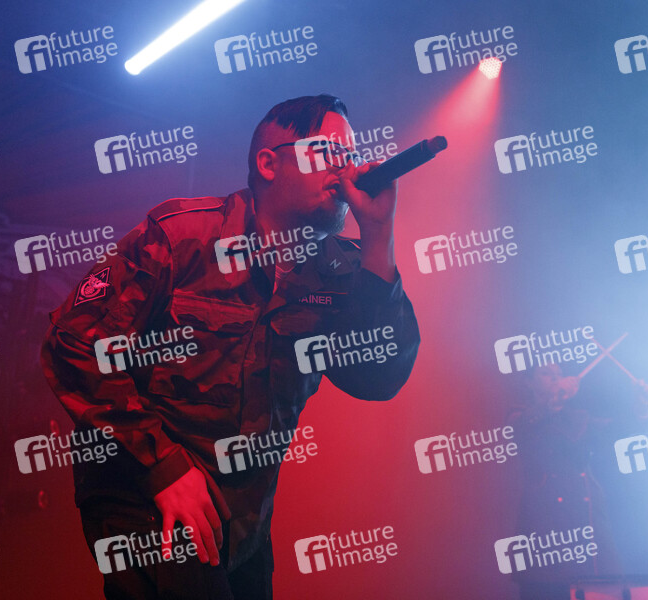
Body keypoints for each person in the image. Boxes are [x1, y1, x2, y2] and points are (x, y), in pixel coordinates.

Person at [40, 94, 420, 599]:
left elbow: (379, 377)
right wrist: (164, 467)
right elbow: (74, 342)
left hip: (243, 520)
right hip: (145, 492)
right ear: (268, 163)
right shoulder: (185, 237)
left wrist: (377, 234)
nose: (344, 168)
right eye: (326, 151)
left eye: (349, 155)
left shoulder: (339, 268)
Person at [508, 362, 648, 600]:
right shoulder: (519, 416)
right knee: (546, 589)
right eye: (546, 374)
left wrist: (641, 408)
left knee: (599, 587)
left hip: (588, 522)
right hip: (546, 528)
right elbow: (525, 426)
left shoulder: (577, 417)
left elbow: (615, 430)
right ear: (529, 382)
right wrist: (555, 396)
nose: (555, 379)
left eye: (559, 374)